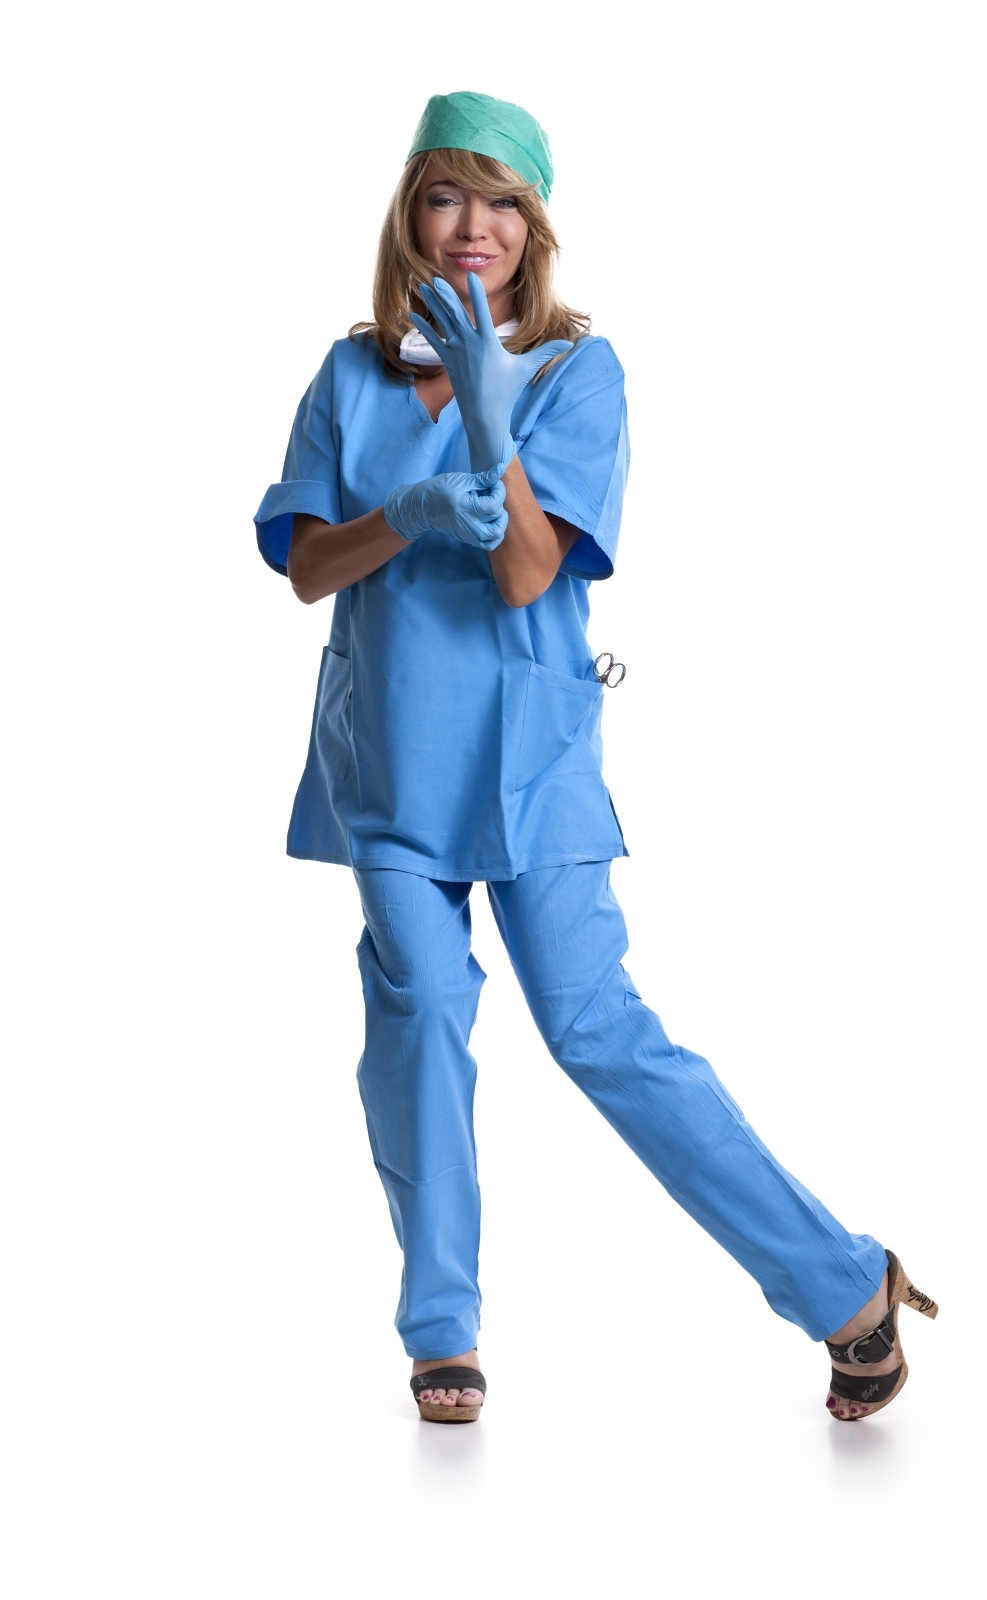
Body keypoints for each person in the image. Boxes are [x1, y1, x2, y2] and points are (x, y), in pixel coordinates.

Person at [254, 91, 936, 1424]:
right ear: (410, 215)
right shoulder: (349, 375)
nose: (474, 226)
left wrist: (492, 426)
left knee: (597, 1030)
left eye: (503, 203)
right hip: (389, 761)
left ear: (535, 226)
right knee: (419, 1012)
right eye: (447, 196)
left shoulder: (581, 371)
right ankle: (441, 1330)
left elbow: (526, 575)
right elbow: (308, 567)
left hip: (530, 763)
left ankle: (847, 1283)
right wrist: (403, 513)